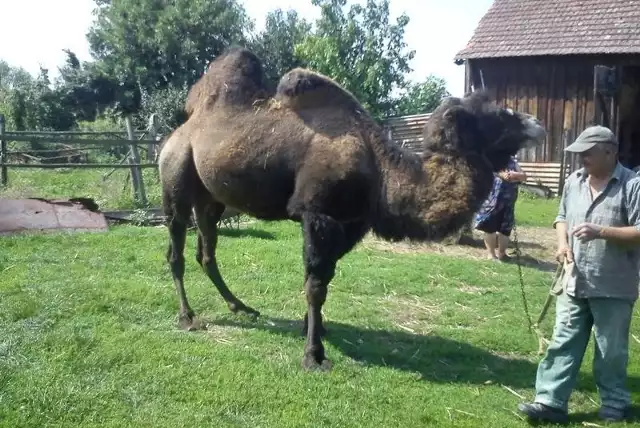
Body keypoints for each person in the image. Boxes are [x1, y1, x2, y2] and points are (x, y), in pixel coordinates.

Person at [517, 125, 640, 424]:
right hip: (574, 279)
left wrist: (602, 232)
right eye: (579, 153)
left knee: (610, 350)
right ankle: (549, 402)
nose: (581, 158)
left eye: (588, 152)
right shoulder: (574, 181)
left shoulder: (632, 185)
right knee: (562, 342)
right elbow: (561, 217)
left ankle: (614, 403)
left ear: (610, 152)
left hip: (613, 283)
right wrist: (562, 244)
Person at [473, 155, 527, 261]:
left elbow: (524, 176)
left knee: (505, 229)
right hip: (492, 202)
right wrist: (504, 175)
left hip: (509, 202)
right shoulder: (492, 160)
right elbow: (494, 173)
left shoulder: (513, 162)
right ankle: (491, 254)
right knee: (490, 227)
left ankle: (502, 254)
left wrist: (515, 174)